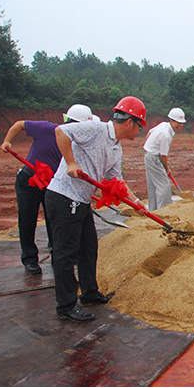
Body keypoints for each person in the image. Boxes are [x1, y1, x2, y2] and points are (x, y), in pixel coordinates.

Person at [45, 96, 147, 322]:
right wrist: (71, 163)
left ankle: (90, 293)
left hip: (81, 201)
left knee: (89, 248)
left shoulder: (116, 148)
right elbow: (62, 132)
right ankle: (66, 306)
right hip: (64, 197)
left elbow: (115, 181)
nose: (139, 131)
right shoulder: (96, 128)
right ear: (129, 122)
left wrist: (136, 201)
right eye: (139, 125)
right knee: (65, 254)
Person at [0, 104, 94, 274]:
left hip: (53, 184)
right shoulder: (46, 129)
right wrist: (8, 141)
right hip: (30, 180)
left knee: (55, 220)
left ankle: (56, 255)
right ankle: (29, 258)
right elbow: (20, 124)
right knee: (27, 219)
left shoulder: (77, 143)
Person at [143, 107, 186, 211]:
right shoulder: (166, 135)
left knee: (153, 185)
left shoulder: (163, 125)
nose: (180, 125)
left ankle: (153, 211)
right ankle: (164, 211)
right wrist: (167, 168)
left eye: (182, 122)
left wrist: (149, 145)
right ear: (171, 120)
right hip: (154, 158)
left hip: (149, 155)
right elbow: (163, 155)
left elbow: (149, 132)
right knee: (164, 185)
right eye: (178, 122)